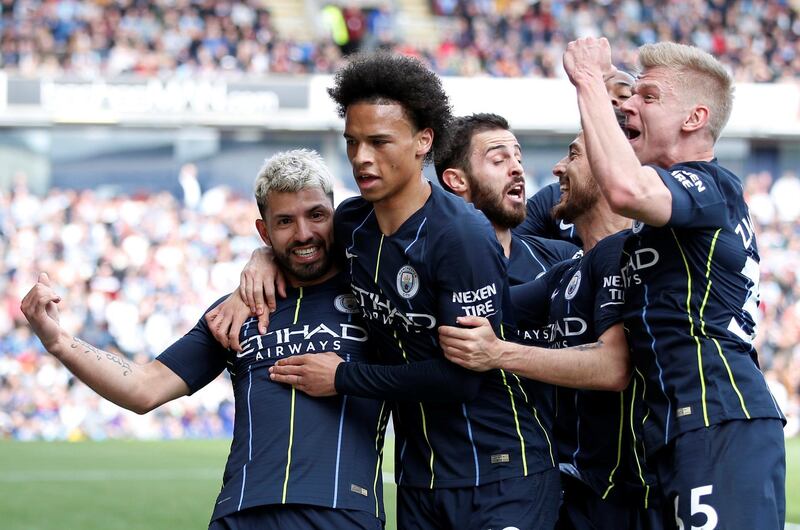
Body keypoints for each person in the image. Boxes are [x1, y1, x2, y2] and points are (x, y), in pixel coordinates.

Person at [219, 52, 562, 529]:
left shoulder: (460, 236)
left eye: (379, 142)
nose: (361, 157)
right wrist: (255, 269)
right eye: (353, 142)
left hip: (503, 470)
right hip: (421, 481)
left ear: (424, 141)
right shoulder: (352, 223)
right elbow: (298, 250)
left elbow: (463, 378)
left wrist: (343, 378)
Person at [21, 149, 388, 530]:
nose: (304, 233)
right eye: (284, 221)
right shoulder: (235, 312)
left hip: (342, 513)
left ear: (336, 217)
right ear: (264, 231)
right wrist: (60, 342)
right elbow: (143, 388)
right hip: (239, 515)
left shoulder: (375, 296)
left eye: (316, 215)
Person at [563, 38, 786, 528]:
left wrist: (588, 82)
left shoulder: (710, 185)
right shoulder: (664, 210)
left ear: (694, 119)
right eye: (629, 95)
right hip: (674, 427)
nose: (629, 105)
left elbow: (623, 188)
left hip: (719, 417)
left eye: (649, 97)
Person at [439, 131, 663, 529]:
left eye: (573, 156)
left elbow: (614, 367)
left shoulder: (624, 253)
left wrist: (498, 353)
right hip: (577, 487)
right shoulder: (565, 271)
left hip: (630, 492)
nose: (556, 167)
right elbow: (480, 312)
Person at [513, 69, 634, 247]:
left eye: (623, 94)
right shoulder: (553, 198)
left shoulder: (664, 199)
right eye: (598, 93)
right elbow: (505, 251)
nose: (608, 101)